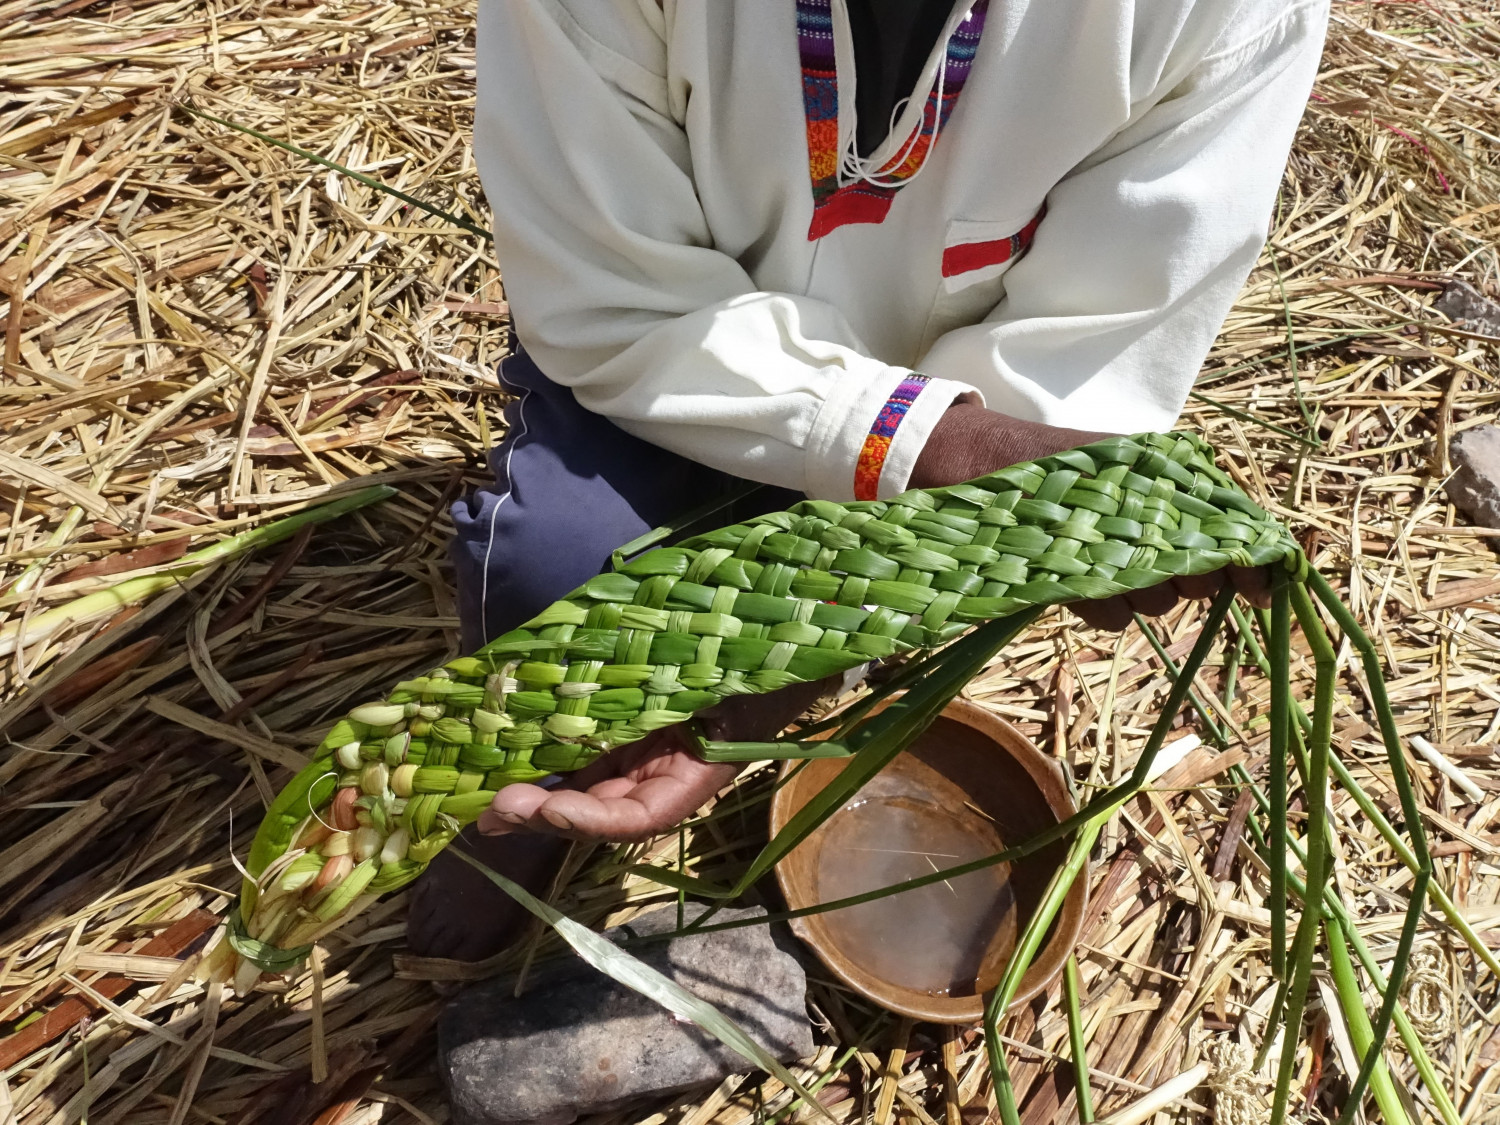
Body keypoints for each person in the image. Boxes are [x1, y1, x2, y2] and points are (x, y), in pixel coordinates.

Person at [409, 0, 1326, 960]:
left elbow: (1089, 352)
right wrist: (929, 445)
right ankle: (509, 805)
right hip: (669, 355)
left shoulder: (1222, 15)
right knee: (555, 570)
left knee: (806, 600)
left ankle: (783, 659)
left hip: (950, 391)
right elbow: (613, 287)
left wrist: (773, 679)